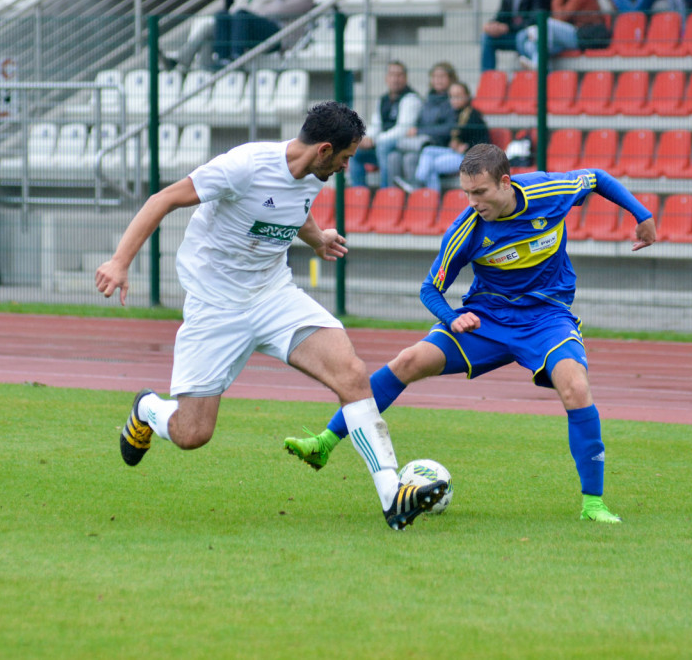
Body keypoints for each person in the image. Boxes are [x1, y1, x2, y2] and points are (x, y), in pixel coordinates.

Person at [94, 101, 447, 531]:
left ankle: (393, 496)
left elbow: (290, 211)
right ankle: (148, 408)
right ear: (323, 150)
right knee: (192, 434)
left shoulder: (314, 175)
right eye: (345, 157)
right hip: (216, 306)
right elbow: (163, 199)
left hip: (274, 296)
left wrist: (317, 239)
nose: (346, 166)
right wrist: (119, 262)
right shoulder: (244, 166)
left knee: (351, 373)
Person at [285, 144, 658, 524]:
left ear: (505, 182)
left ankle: (593, 504)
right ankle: (324, 443)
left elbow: (598, 178)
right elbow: (430, 288)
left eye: (479, 192)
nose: (472, 201)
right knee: (409, 361)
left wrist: (641, 215)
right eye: (466, 192)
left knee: (575, 388)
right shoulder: (467, 228)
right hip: (486, 319)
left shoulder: (550, 191)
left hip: (546, 319)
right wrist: (451, 318)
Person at [164, 0, 278, 72]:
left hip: (254, 33)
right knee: (214, 22)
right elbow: (232, 10)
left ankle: (235, 56)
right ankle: (186, 59)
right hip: (237, 30)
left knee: (238, 16)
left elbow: (246, 14)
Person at [396, 81, 490, 195]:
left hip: (468, 157)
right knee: (427, 150)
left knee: (432, 166)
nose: (454, 100)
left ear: (467, 96)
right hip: (453, 153)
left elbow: (485, 142)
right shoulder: (453, 113)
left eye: (458, 96)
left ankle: (428, 194)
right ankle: (420, 184)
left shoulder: (473, 115)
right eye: (452, 96)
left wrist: (467, 147)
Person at [347, 61, 422, 189]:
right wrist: (368, 137)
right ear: (386, 78)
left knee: (383, 146)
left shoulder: (411, 99)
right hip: (382, 145)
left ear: (405, 78)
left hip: (402, 145)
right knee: (355, 150)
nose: (395, 79)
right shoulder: (382, 100)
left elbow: (402, 129)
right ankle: (359, 194)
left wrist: (375, 140)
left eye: (399, 75)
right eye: (392, 75)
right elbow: (376, 124)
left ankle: (385, 192)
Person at [390, 61, 459, 185]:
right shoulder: (427, 100)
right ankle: (392, 197)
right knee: (393, 157)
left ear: (451, 79)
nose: (438, 80)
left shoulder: (453, 101)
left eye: (442, 77)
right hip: (421, 143)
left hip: (439, 146)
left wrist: (420, 131)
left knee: (410, 159)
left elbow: (449, 128)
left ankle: (417, 194)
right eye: (435, 77)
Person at [515, 0, 606, 68]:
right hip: (570, 34)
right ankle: (544, 75)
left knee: (547, 25)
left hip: (585, 35)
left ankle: (538, 64)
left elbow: (560, 17)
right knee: (530, 45)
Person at [219, 0, 314, 61]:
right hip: (269, 33)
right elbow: (259, 10)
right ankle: (222, 58)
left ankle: (237, 56)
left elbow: (277, 10)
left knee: (242, 15)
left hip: (282, 38)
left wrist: (258, 11)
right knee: (223, 15)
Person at [481, 0, 552, 71]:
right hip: (513, 36)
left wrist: (508, 28)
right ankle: (488, 79)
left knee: (522, 38)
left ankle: (531, 74)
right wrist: (492, 25)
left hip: (530, 38)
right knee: (487, 37)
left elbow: (536, 20)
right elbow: (502, 16)